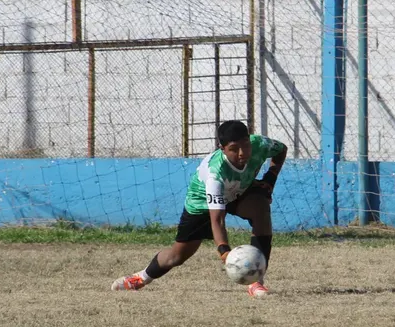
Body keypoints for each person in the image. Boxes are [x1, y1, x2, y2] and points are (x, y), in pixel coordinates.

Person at [112, 120, 287, 298]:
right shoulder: (215, 173)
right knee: (176, 257)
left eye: (246, 145)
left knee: (261, 208)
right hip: (202, 203)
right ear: (222, 148)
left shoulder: (260, 144)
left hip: (238, 192)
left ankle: (256, 281)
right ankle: (140, 278)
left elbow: (281, 150)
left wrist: (270, 178)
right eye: (234, 149)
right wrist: (225, 252)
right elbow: (217, 219)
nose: (242, 153)